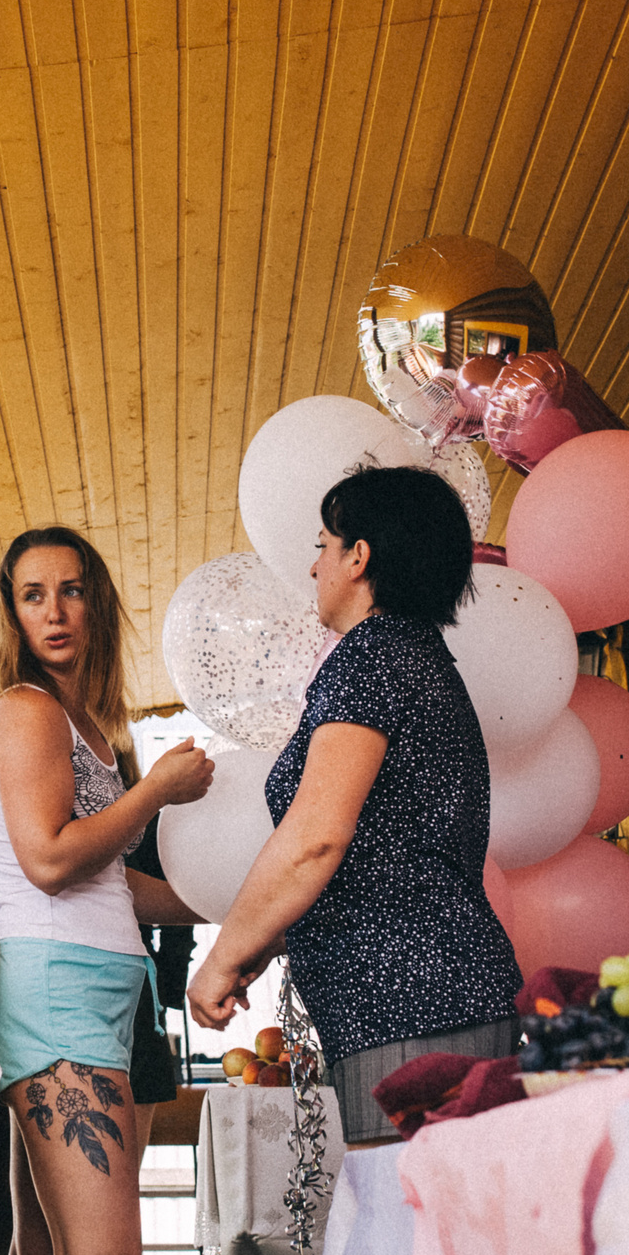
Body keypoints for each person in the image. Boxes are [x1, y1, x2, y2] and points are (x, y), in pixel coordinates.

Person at [186, 463, 520, 1147]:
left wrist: (221, 956)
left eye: (322, 546)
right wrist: (265, 939)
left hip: (409, 1005)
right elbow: (387, 854)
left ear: (358, 555)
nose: (313, 568)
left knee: (408, 1236)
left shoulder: (368, 658)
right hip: (442, 994)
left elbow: (316, 838)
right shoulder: (418, 657)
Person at [0, 527, 212, 1255]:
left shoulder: (90, 732)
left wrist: (234, 905)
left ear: (96, 604)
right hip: (57, 991)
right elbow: (48, 859)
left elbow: (111, 881)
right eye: (33, 595)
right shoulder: (26, 709)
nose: (55, 611)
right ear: (12, 616)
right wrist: (155, 792)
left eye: (71, 590)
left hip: (103, 988)